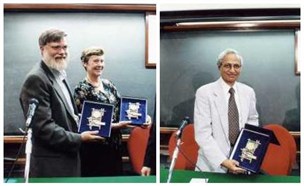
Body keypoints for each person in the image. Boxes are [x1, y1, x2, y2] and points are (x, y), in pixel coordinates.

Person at [19, 29, 102, 177]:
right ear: (42, 49)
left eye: (65, 47)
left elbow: (67, 115)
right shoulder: (36, 79)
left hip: (68, 159)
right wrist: (80, 138)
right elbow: (43, 128)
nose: (62, 52)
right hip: (52, 166)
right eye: (56, 47)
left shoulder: (58, 74)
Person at [193, 48, 259, 174]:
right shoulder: (204, 92)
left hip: (241, 163)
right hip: (212, 165)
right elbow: (203, 134)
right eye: (228, 66)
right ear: (219, 67)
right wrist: (223, 161)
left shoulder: (248, 92)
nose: (232, 70)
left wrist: (247, 154)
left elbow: (252, 121)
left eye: (236, 66)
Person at [74, 47, 133, 176]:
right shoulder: (81, 90)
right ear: (85, 63)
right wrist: (116, 126)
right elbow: (85, 123)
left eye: (102, 61)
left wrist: (143, 117)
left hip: (115, 146)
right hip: (94, 148)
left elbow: (123, 107)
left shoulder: (108, 85)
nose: (100, 64)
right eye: (95, 61)